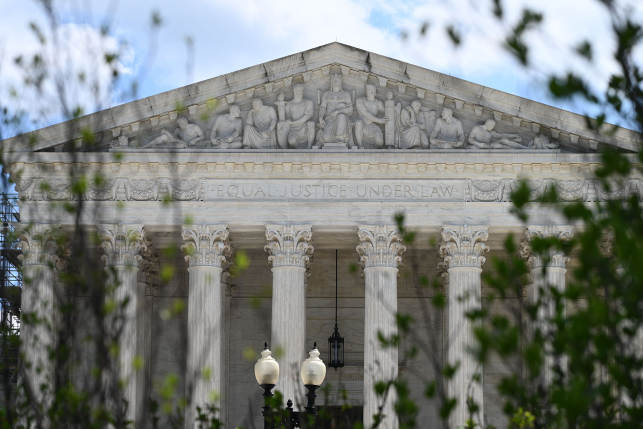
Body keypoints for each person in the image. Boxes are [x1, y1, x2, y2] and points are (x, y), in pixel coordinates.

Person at [317, 74, 353, 146]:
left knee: (341, 116)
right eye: (333, 80)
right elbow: (322, 107)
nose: (335, 81)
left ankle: (341, 137)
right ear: (331, 82)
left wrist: (338, 111)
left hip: (342, 122)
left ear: (340, 82)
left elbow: (350, 109)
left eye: (337, 80)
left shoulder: (345, 94)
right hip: (329, 120)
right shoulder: (326, 94)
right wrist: (320, 118)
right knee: (326, 138)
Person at [276, 84, 315, 149]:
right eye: (299, 90)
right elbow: (284, 119)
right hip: (294, 129)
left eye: (302, 90)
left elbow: (307, 117)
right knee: (291, 141)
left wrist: (292, 123)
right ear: (294, 91)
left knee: (311, 123)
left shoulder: (308, 102)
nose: (301, 92)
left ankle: (309, 146)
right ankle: (299, 150)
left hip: (305, 127)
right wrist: (281, 103)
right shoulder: (289, 104)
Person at [354, 84, 388, 148]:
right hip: (362, 125)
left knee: (380, 140)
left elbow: (387, 113)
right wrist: (379, 120)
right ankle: (360, 146)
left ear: (373, 92)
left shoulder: (378, 103)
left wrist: (395, 110)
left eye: (369, 90)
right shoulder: (360, 100)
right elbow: (366, 113)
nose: (366, 91)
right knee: (358, 123)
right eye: (366, 89)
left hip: (372, 126)